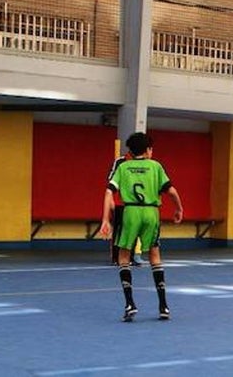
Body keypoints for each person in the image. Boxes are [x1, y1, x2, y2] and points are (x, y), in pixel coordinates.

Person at [99, 132, 184, 322]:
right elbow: (171, 191)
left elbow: (108, 192)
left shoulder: (124, 166)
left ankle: (130, 304)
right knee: (155, 255)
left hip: (130, 212)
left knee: (123, 255)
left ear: (130, 150)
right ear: (148, 150)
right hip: (151, 212)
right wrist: (179, 208)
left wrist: (105, 219)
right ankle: (163, 306)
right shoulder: (156, 166)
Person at [105, 151, 145, 267]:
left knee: (134, 230)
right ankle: (116, 257)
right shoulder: (119, 162)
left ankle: (130, 257)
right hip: (120, 202)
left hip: (136, 203)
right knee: (119, 231)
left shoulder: (142, 163)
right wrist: (111, 199)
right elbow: (111, 180)